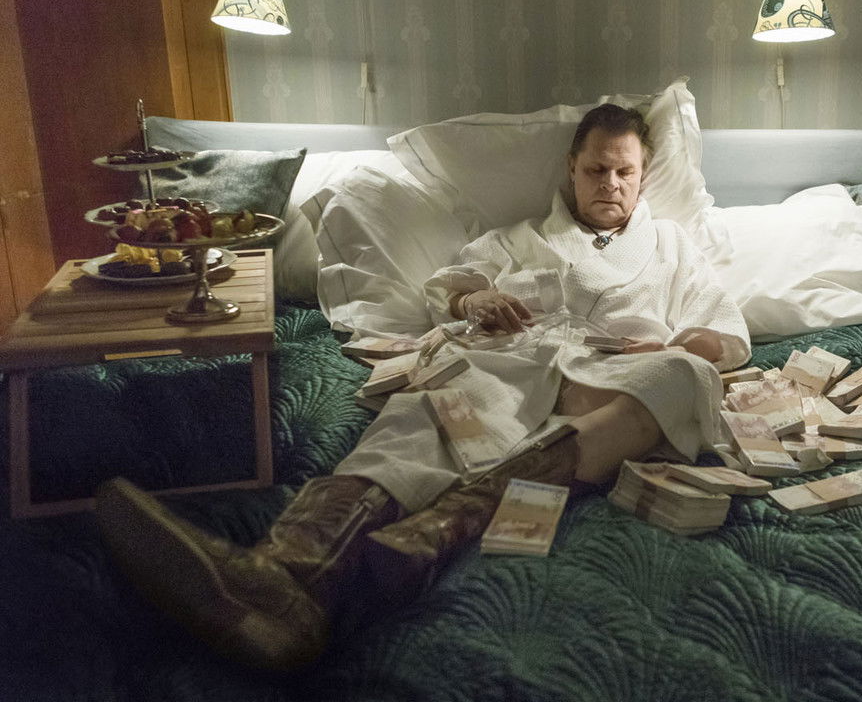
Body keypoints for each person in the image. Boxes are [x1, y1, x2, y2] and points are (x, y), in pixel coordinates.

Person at [94, 103, 750, 672]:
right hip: (514, 363)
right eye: (596, 169)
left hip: (618, 383)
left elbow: (726, 333)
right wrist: (474, 301)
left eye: (624, 171)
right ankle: (282, 570)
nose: (610, 183)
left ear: (643, 175)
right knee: (423, 417)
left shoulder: (672, 247)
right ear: (571, 169)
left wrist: (680, 344)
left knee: (685, 375)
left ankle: (412, 543)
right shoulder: (521, 239)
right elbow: (452, 285)